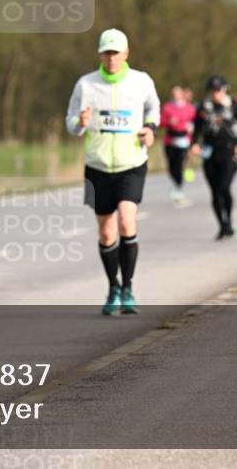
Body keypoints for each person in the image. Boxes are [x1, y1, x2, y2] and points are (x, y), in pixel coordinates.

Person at [65, 28, 160, 316]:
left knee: (127, 221)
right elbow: (70, 123)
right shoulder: (86, 85)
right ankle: (113, 287)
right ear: (100, 55)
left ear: (126, 53)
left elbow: (154, 108)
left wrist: (150, 129)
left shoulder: (141, 81)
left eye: (116, 52)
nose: (111, 58)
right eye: (106, 52)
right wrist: (80, 122)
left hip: (131, 163)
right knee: (106, 232)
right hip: (98, 166)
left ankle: (129, 288)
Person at [191, 75, 237, 239]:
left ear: (224, 89)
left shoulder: (234, 106)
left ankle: (228, 219)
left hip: (228, 150)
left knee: (224, 188)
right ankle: (222, 225)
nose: (215, 93)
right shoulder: (203, 107)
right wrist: (194, 143)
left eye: (218, 90)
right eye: (212, 90)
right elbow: (197, 128)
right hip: (209, 152)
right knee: (215, 192)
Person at [160, 86, 196, 206]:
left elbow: (194, 122)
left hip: (184, 140)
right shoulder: (167, 107)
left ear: (182, 94)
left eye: (178, 93)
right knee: (171, 166)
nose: (175, 95)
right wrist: (169, 122)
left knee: (180, 164)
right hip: (170, 141)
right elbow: (161, 122)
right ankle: (176, 184)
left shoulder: (189, 108)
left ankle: (178, 188)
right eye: (173, 93)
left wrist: (190, 128)